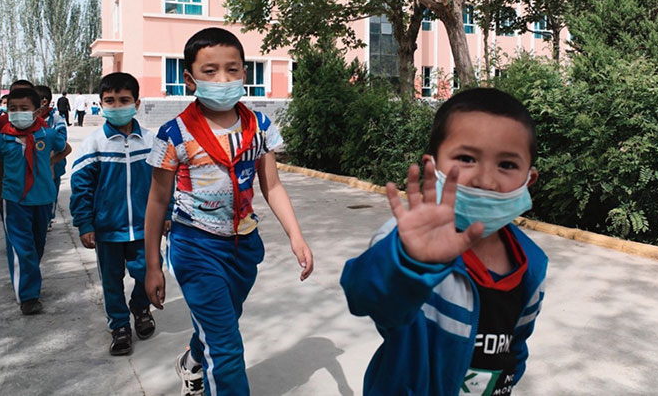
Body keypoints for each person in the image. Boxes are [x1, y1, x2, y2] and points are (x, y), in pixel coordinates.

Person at [341, 88, 548, 396]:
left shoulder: (532, 264)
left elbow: (516, 346)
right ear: (433, 166)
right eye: (466, 158)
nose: (485, 180)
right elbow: (365, 298)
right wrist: (411, 262)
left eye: (506, 165)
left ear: (528, 180)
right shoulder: (406, 244)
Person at [144, 27, 314, 396]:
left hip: (243, 247)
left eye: (232, 69)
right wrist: (153, 265)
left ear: (244, 73)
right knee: (227, 348)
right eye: (210, 71)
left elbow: (272, 186)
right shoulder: (174, 135)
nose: (223, 79)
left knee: (221, 324)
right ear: (190, 79)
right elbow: (157, 201)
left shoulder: (259, 127)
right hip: (195, 247)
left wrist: (296, 236)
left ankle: (192, 361)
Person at [70, 72, 159, 356]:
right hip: (108, 229)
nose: (117, 106)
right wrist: (85, 223)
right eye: (110, 101)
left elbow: (164, 183)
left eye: (124, 100)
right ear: (101, 104)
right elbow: (81, 187)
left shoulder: (151, 141)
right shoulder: (94, 143)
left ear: (137, 103)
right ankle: (119, 325)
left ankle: (140, 307)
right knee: (111, 281)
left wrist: (166, 213)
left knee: (146, 272)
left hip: (145, 228)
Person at [0, 87, 71, 314]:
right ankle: (28, 296)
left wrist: (50, 162)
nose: (17, 113)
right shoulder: (2, 138)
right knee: (22, 248)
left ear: (37, 111)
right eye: (13, 109)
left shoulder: (47, 135)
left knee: (37, 245)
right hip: (14, 200)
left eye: (24, 108)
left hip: (43, 198)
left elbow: (66, 149)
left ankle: (29, 277)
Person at [35, 85, 68, 224]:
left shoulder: (56, 119)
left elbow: (62, 141)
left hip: (54, 164)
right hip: (35, 165)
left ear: (44, 101)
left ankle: (48, 218)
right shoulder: (30, 119)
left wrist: (50, 161)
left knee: (51, 191)